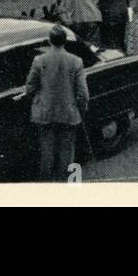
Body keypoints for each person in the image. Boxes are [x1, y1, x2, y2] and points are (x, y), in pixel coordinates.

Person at [23, 26, 89, 182]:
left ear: (49, 41)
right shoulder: (76, 61)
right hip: (68, 111)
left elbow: (30, 87)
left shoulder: (39, 60)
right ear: (65, 41)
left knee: (47, 150)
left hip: (45, 112)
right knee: (67, 150)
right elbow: (83, 93)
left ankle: (46, 184)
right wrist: (82, 110)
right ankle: (66, 183)